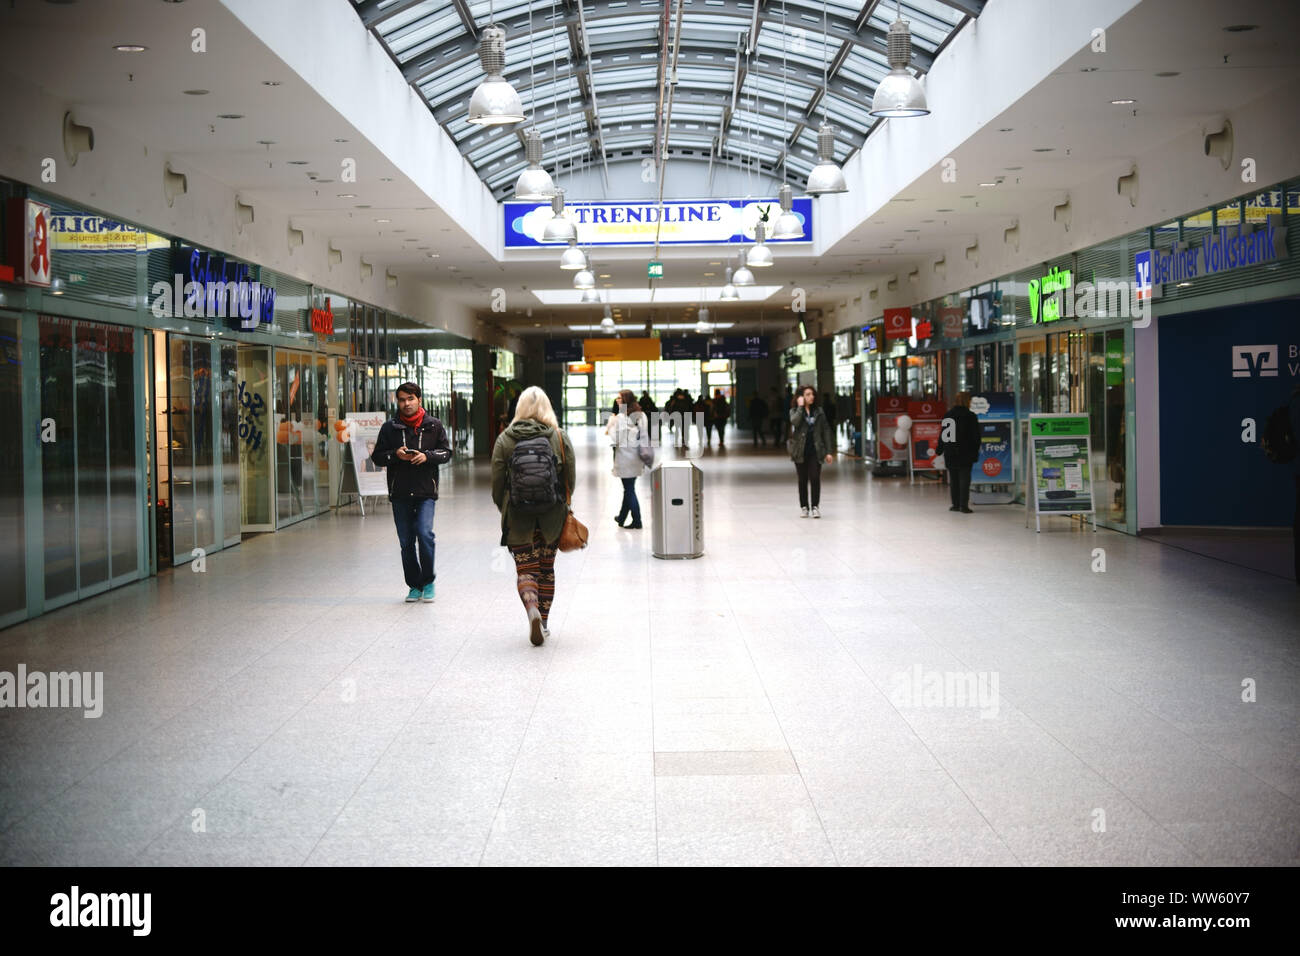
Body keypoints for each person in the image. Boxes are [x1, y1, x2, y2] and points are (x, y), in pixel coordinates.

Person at [491, 386, 576, 646]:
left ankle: (532, 611)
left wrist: (503, 506)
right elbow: (569, 480)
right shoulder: (559, 437)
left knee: (526, 569)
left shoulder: (505, 438)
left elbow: (496, 482)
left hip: (518, 516)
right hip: (551, 516)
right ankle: (546, 622)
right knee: (546, 570)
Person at [370, 382, 453, 603]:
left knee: (425, 534)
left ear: (419, 400)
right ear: (397, 402)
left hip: (426, 491)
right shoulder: (390, 427)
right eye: (402, 400)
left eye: (410, 399)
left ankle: (428, 581)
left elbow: (446, 453)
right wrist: (395, 455)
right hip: (400, 492)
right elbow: (377, 456)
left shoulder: (434, 426)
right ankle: (414, 585)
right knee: (406, 541)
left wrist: (427, 456)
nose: (406, 404)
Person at [605, 388, 649, 529]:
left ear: (626, 400)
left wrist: (610, 426)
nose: (617, 400)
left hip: (625, 458)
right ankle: (622, 517)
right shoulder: (641, 416)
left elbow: (616, 438)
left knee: (629, 489)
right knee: (629, 487)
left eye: (619, 398)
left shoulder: (620, 418)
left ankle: (637, 520)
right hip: (637, 457)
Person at [789, 385, 833, 517]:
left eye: (812, 394)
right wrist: (801, 408)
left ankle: (815, 506)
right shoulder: (794, 411)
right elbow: (795, 422)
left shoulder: (819, 411)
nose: (811, 397)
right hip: (800, 451)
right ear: (801, 397)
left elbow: (826, 431)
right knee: (802, 480)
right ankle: (804, 507)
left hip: (816, 450)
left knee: (815, 478)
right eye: (807, 394)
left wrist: (829, 451)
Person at [935, 391, 981, 514]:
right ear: (967, 401)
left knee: (954, 479)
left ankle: (955, 504)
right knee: (965, 479)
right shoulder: (970, 416)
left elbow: (944, 435)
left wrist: (939, 449)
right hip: (966, 452)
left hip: (950, 451)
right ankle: (963, 505)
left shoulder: (948, 415)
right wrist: (975, 450)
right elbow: (976, 437)